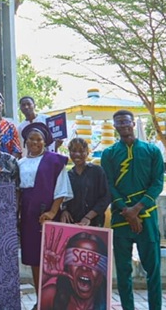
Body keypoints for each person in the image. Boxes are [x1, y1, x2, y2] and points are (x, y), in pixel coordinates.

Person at [101, 110, 164, 310]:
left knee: (153, 270)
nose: (123, 125)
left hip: (147, 215)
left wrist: (136, 209)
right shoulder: (108, 153)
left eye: (126, 121)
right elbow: (108, 184)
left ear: (133, 123)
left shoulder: (152, 151)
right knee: (123, 270)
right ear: (114, 127)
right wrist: (126, 210)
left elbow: (158, 183)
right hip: (121, 217)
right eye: (119, 122)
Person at [18, 122, 72, 307]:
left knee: (51, 258)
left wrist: (52, 211)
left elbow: (62, 189)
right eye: (31, 139)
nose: (35, 142)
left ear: (45, 142)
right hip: (28, 217)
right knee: (34, 258)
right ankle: (40, 300)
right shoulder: (20, 163)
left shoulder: (55, 161)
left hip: (48, 216)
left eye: (39, 139)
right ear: (25, 142)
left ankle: (54, 301)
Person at [40, 230, 109, 310]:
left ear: (101, 274)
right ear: (68, 268)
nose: (84, 268)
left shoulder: (105, 304)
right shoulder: (51, 295)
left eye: (92, 262)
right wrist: (44, 276)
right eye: (76, 260)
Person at [60, 138, 111, 227]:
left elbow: (106, 197)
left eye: (81, 151)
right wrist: (64, 210)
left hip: (94, 222)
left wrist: (88, 217)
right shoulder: (68, 175)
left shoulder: (97, 171)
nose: (77, 154)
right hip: (73, 223)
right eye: (74, 151)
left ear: (87, 152)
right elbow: (64, 198)